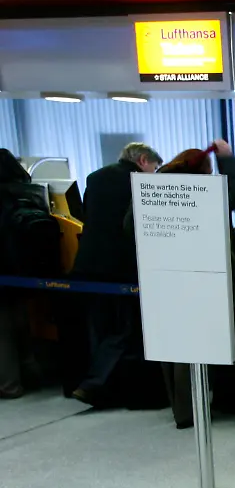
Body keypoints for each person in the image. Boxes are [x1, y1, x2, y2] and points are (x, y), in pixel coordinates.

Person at [148, 141, 235, 427]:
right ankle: (202, 407)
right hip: (204, 274)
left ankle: (182, 409)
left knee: (175, 346)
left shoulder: (154, 190)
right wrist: (228, 160)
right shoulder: (199, 192)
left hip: (165, 275)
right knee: (198, 345)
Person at [70, 142, 162, 407]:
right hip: (120, 266)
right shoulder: (138, 183)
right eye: (154, 168)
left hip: (88, 262)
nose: (154, 175)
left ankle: (101, 384)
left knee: (100, 327)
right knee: (124, 328)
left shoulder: (96, 177)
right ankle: (94, 384)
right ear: (143, 161)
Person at [0, 149, 40, 398]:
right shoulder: (26, 192)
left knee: (3, 332)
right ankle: (33, 375)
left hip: (4, 269)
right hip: (23, 269)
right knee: (21, 324)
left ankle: (9, 385)